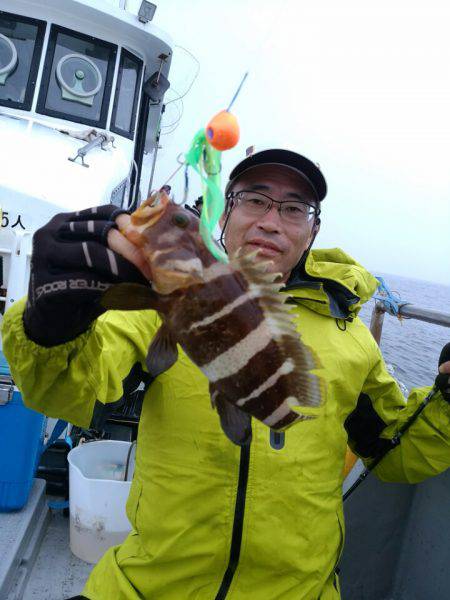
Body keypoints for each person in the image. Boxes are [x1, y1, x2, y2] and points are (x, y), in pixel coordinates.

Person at [2, 149, 450, 600]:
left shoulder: (352, 337)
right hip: (149, 587)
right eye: (255, 199)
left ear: (313, 230)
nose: (271, 221)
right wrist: (49, 324)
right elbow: (66, 395)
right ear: (225, 213)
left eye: (293, 208)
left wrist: (447, 397)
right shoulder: (151, 307)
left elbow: (395, 454)